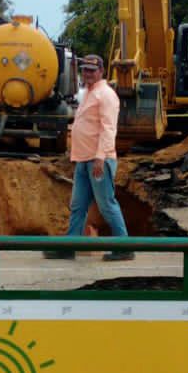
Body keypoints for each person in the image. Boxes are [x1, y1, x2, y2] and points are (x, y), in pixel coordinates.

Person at [44, 54, 132, 261]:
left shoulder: (106, 95)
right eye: (85, 70)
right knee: (77, 206)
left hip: (98, 160)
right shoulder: (90, 93)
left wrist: (100, 158)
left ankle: (125, 246)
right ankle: (69, 246)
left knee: (106, 205)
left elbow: (108, 129)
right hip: (84, 160)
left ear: (101, 71)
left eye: (92, 70)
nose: (88, 74)